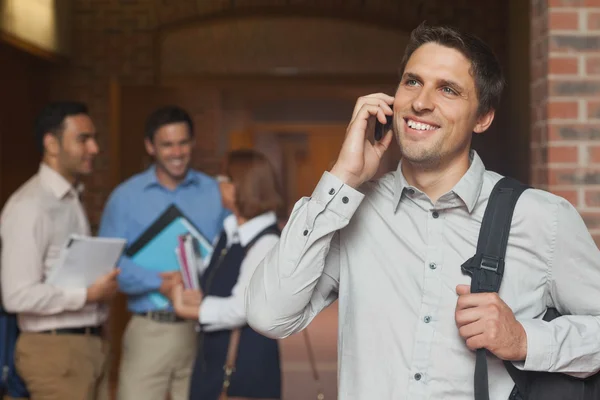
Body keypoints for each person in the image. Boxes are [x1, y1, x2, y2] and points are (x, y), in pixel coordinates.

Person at [245, 23, 600, 400]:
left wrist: (526, 339)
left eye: (448, 89)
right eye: (412, 82)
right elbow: (269, 316)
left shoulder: (542, 217)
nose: (420, 102)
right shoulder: (351, 211)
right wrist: (342, 177)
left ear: (483, 117)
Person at [98, 105, 228, 400]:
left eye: (183, 143)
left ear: (192, 143)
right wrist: (161, 283)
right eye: (167, 144)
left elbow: (226, 255)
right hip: (150, 330)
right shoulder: (125, 197)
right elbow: (109, 261)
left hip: (203, 329)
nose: (177, 152)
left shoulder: (213, 193)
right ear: (150, 147)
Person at [0, 101, 119, 399]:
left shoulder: (70, 198)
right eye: (83, 139)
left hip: (87, 347)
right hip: (54, 352)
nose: (94, 148)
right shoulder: (31, 206)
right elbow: (16, 295)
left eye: (94, 138)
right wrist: (87, 295)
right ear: (51, 144)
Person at [170, 149, 283, 400]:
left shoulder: (265, 241)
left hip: (244, 365)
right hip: (214, 358)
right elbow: (215, 279)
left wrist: (192, 310)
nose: (217, 186)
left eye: (221, 180)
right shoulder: (230, 229)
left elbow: (242, 308)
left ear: (237, 187)